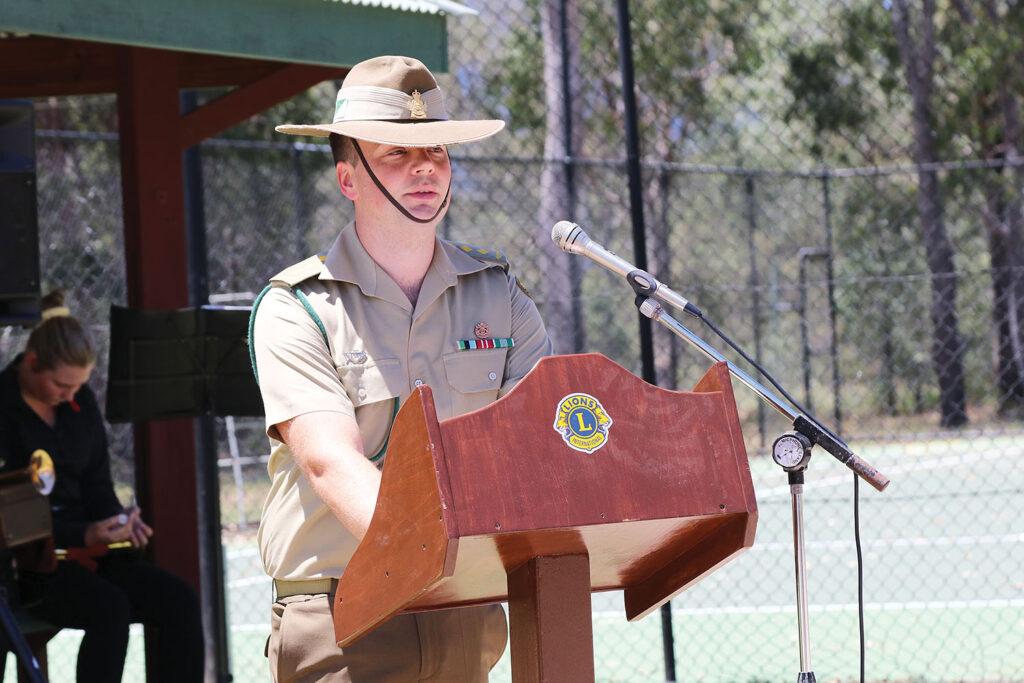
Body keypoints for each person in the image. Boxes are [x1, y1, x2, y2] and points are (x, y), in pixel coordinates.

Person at [252, 55, 553, 681]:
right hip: (343, 616)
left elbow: (532, 447)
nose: (424, 167)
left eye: (438, 152)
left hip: (466, 609)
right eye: (395, 153)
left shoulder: (499, 296)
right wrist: (439, 554)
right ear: (347, 179)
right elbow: (331, 462)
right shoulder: (297, 307)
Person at [0, 289, 204, 682]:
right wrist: (84, 532)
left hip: (88, 552)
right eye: (62, 386)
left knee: (178, 599)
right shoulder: (4, 406)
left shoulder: (79, 403)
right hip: (29, 566)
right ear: (31, 363)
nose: (71, 396)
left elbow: (96, 480)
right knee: (109, 609)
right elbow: (13, 517)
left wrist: (118, 522)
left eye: (79, 387)